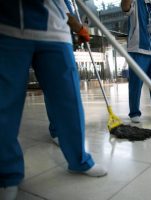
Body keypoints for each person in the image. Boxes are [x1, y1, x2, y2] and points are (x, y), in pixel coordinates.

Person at [0, 1, 106, 199]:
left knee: (69, 101)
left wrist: (78, 27)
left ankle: (79, 160)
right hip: (8, 27)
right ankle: (7, 174)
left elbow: (66, 9)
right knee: (4, 106)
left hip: (55, 30)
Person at [46, 0, 90, 145]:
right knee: (56, 88)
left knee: (66, 88)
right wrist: (81, 29)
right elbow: (65, 15)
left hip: (63, 40)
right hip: (50, 38)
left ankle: (64, 128)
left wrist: (75, 35)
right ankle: (57, 130)